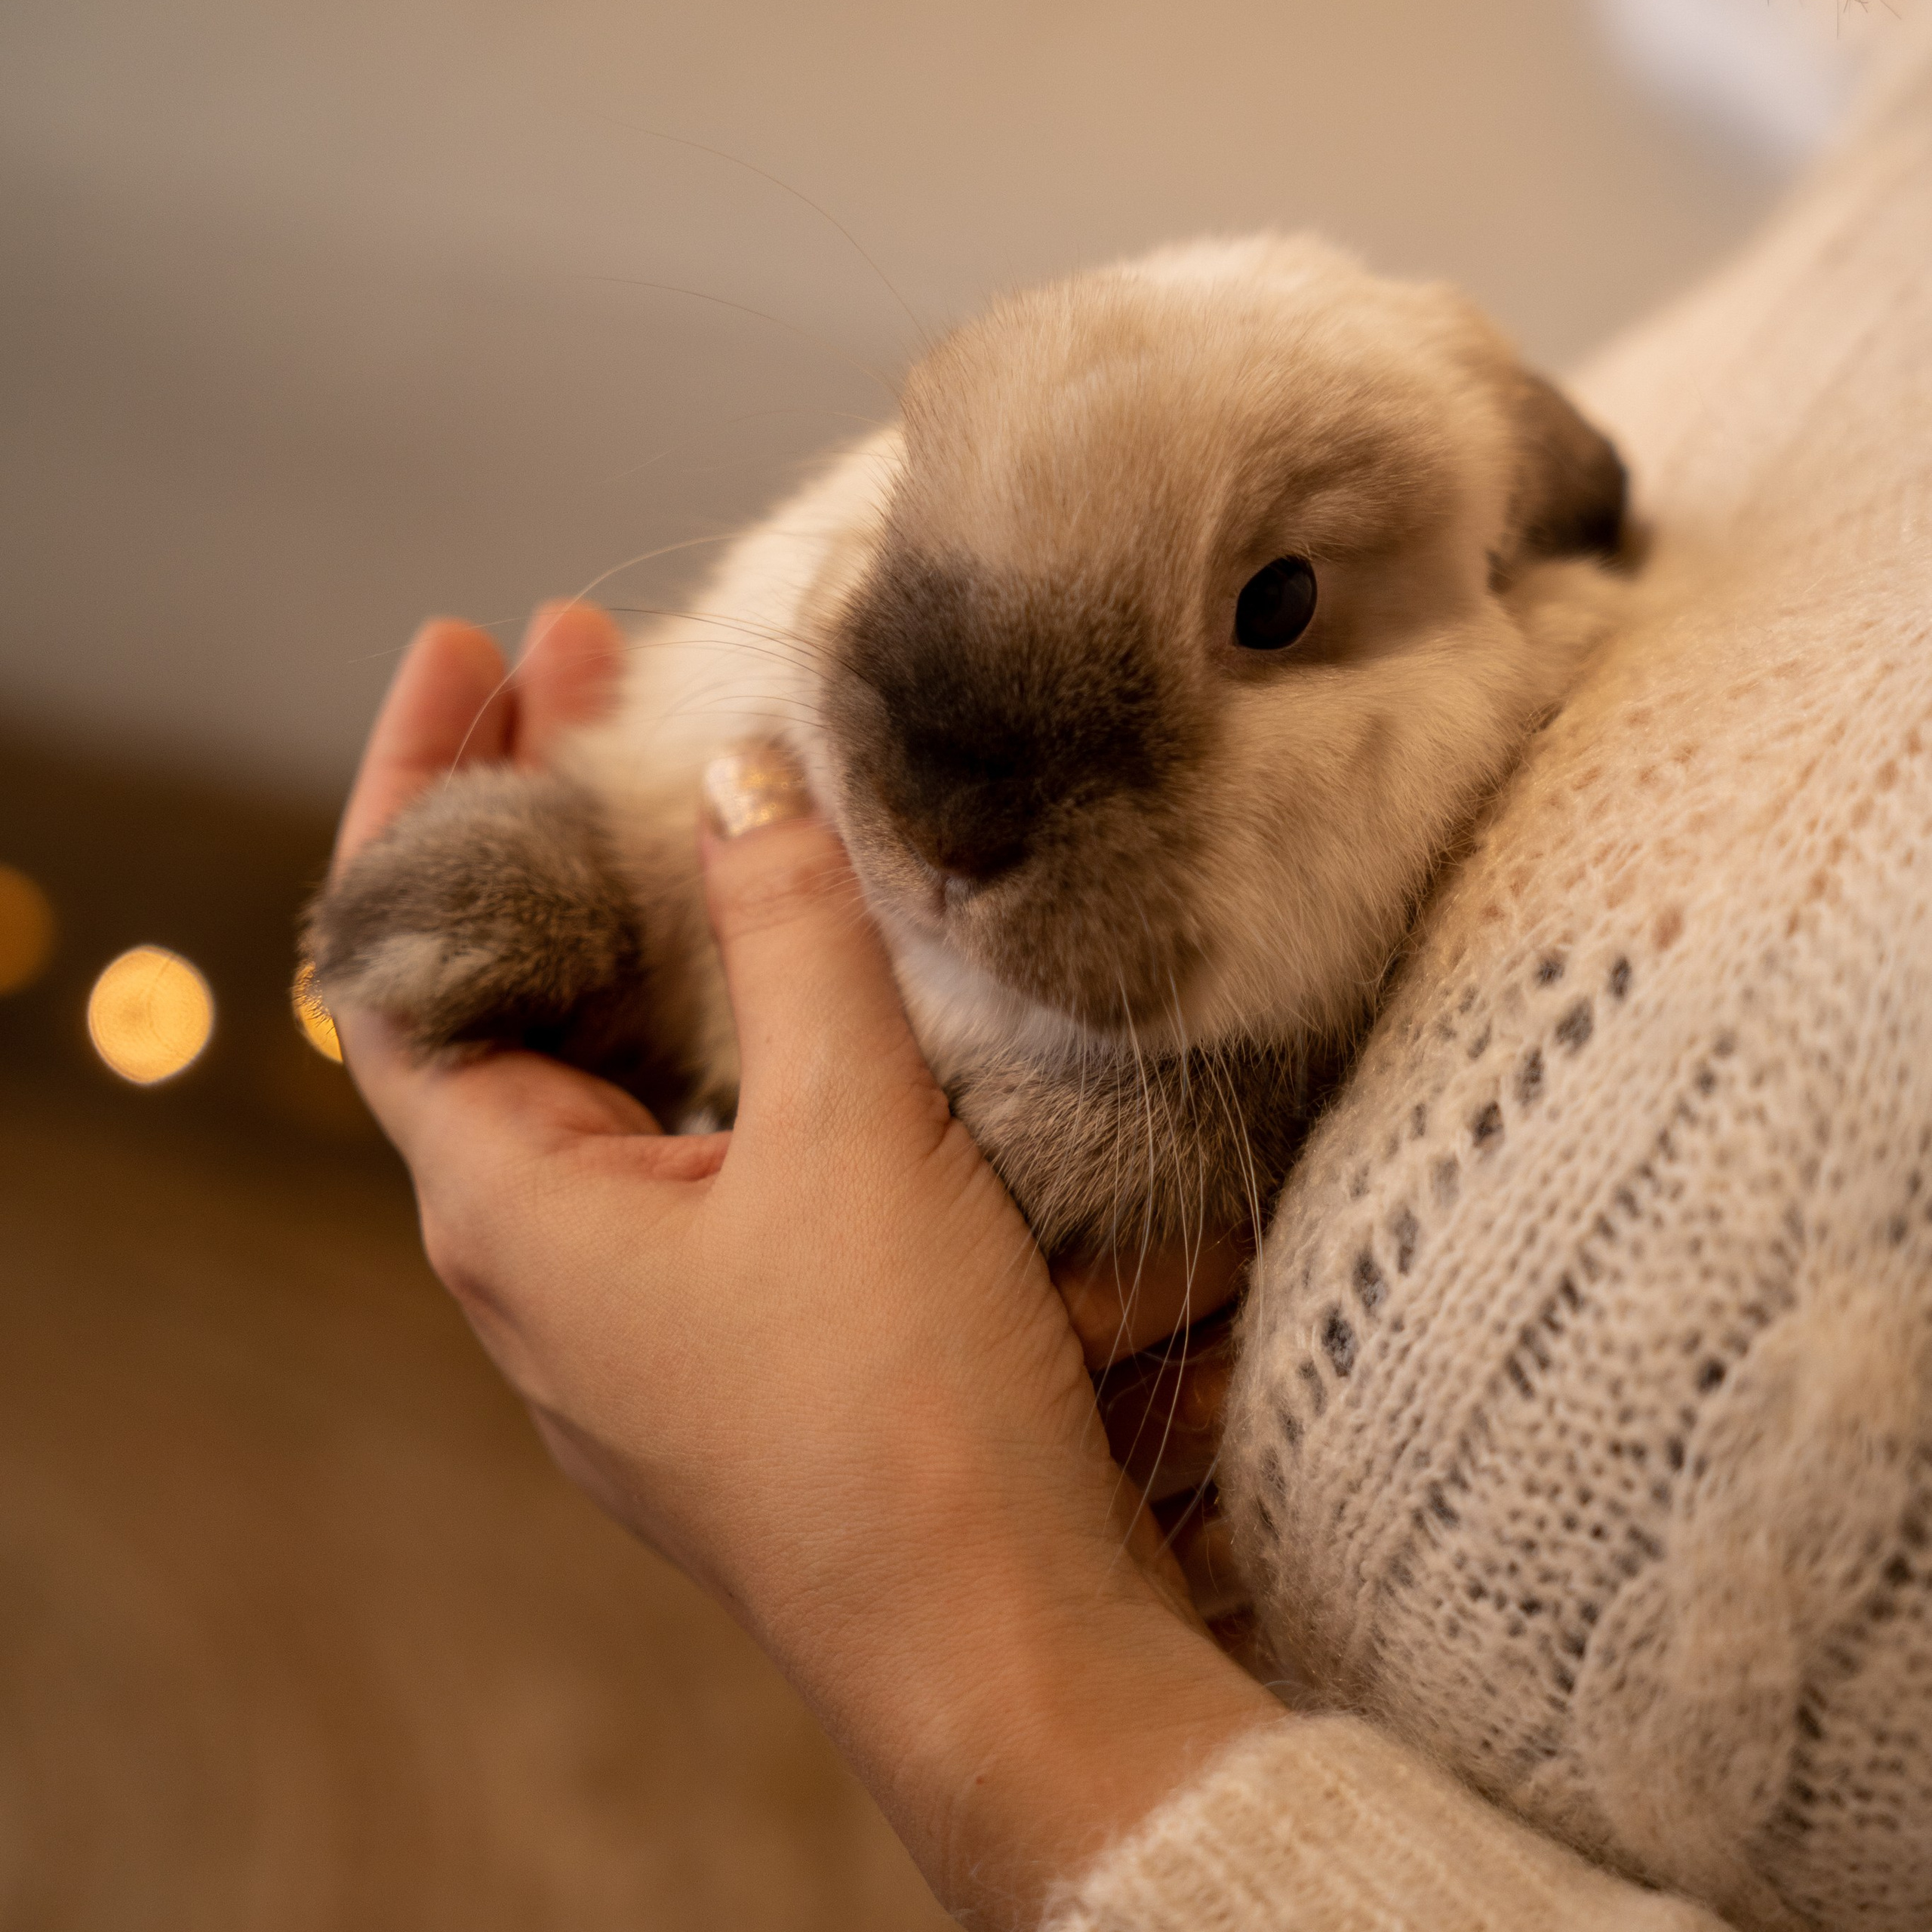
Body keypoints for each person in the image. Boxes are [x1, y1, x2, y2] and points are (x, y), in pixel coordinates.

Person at [331, 22, 1932, 1924]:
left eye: (1267, 605)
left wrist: (951, 1639)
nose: (947, 822)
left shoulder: (1483, 602)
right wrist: (638, 868)